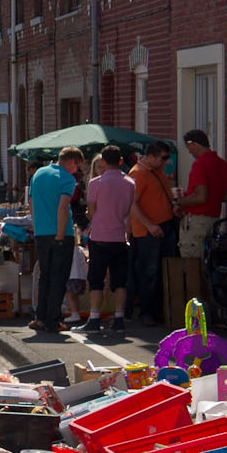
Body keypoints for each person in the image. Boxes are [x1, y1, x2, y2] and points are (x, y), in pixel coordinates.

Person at [28, 147, 85, 335]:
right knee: (58, 277)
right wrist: (61, 234)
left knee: (45, 275)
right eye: (77, 165)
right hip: (60, 232)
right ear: (71, 162)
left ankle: (40, 317)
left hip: (42, 231)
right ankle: (53, 320)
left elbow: (31, 203)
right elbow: (62, 207)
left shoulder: (38, 174)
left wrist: (37, 226)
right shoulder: (67, 179)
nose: (77, 170)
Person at [82, 144, 136, 335]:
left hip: (99, 236)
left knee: (96, 280)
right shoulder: (130, 183)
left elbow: (91, 211)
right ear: (121, 161)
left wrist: (93, 215)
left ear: (103, 161)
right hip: (120, 236)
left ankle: (94, 318)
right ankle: (119, 318)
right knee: (119, 281)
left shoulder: (95, 183)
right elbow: (129, 210)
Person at [126, 140, 178, 327]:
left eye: (167, 157)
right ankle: (146, 313)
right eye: (163, 158)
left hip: (164, 226)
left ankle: (159, 311)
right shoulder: (138, 173)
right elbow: (132, 204)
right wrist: (149, 225)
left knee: (161, 271)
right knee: (149, 272)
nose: (165, 161)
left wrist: (173, 209)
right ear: (150, 157)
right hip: (148, 231)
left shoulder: (156, 171)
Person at [174, 129, 227, 259]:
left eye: (189, 147)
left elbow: (200, 197)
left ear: (193, 143)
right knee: (209, 262)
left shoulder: (200, 164)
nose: (189, 151)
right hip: (214, 219)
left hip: (197, 221)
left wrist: (180, 202)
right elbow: (225, 196)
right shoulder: (222, 164)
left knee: (192, 262)